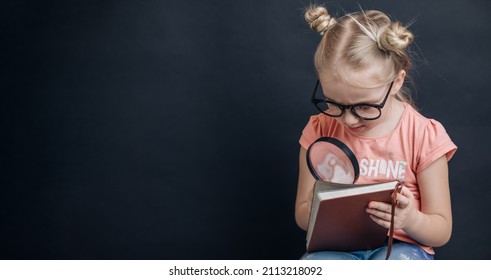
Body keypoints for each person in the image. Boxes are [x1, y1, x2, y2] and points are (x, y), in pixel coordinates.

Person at [295, 5, 457, 260]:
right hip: (338, 247)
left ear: (397, 82)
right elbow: (303, 218)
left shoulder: (424, 134)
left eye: (364, 106)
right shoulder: (319, 129)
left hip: (402, 249)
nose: (347, 119)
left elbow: (441, 230)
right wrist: (319, 203)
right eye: (334, 103)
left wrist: (410, 218)